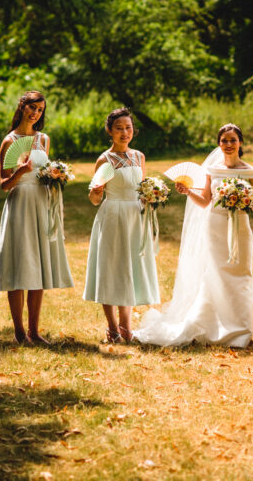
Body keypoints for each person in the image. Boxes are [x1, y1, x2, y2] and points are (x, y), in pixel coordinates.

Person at [133, 124, 253, 347]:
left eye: (232, 140)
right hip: (215, 226)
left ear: (240, 142)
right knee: (214, 275)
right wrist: (189, 191)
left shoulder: (251, 172)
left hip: (240, 228)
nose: (228, 145)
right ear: (218, 143)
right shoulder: (213, 170)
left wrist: (245, 199)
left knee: (241, 274)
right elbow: (204, 202)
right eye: (224, 141)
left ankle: (241, 329)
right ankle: (212, 326)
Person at [0, 91, 73, 344]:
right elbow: (4, 185)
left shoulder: (43, 140)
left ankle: (34, 331)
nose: (35, 113)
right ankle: (19, 331)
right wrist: (19, 171)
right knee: (20, 264)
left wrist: (54, 176)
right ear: (22, 107)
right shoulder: (9, 141)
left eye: (40, 109)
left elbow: (43, 172)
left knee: (38, 265)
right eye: (32, 107)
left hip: (41, 203)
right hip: (20, 204)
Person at [84, 108, 160, 343]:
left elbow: (142, 187)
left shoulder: (139, 156)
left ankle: (126, 327)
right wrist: (96, 191)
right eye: (119, 128)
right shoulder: (104, 160)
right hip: (113, 216)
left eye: (128, 128)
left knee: (130, 269)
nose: (124, 133)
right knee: (112, 269)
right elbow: (95, 200)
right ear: (110, 131)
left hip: (136, 217)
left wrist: (151, 196)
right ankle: (113, 328)